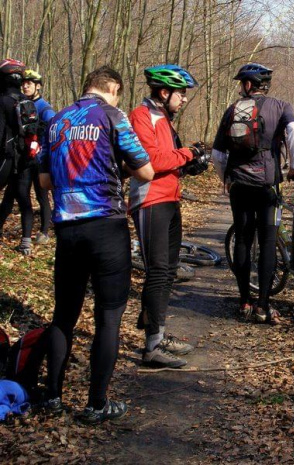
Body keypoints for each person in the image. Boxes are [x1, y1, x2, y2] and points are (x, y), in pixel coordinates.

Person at [39, 66, 154, 423]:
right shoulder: (111, 115)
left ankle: (52, 398)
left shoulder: (56, 120)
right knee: (108, 315)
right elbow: (145, 171)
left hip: (67, 229)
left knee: (64, 315)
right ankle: (96, 404)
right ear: (113, 88)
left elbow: (43, 180)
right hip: (105, 225)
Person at [212, 63, 294, 324]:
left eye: (242, 83)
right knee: (267, 243)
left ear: (248, 85)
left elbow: (218, 155)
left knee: (242, 239)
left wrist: (226, 179)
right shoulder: (281, 106)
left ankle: (244, 302)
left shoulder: (232, 111)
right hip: (268, 185)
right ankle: (263, 305)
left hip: (239, 185)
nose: (241, 87)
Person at [129, 64, 206, 368]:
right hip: (150, 200)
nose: (184, 99)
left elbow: (169, 160)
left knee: (169, 270)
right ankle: (152, 346)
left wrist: (189, 163)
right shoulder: (141, 115)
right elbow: (150, 160)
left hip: (170, 197)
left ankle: (157, 332)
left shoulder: (164, 118)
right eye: (181, 94)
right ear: (164, 92)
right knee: (158, 270)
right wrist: (188, 153)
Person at [9, 69, 54, 245]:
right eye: (23, 83)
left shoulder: (45, 107)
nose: (25, 86)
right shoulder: (19, 104)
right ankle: (26, 235)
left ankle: (44, 232)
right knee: (23, 194)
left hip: (40, 159)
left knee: (42, 196)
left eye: (29, 83)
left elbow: (52, 132)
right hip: (24, 158)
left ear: (38, 87)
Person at [0, 59, 36, 255]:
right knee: (23, 198)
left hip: (6, 158)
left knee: (10, 198)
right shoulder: (27, 102)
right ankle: (26, 241)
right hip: (25, 160)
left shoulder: (3, 101)